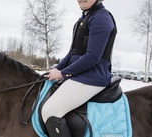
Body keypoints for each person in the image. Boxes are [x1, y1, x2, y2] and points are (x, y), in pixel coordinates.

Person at [41, 0, 117, 136]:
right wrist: (57, 68)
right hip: (80, 74)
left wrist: (63, 73)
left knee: (50, 110)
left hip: (92, 76)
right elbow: (73, 53)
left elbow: (92, 57)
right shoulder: (84, 18)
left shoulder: (101, 18)